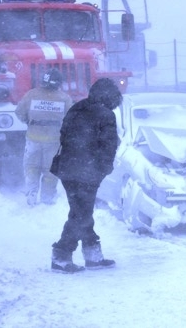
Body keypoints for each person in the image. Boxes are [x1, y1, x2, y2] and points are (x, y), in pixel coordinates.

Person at [50, 78, 123, 273]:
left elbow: (64, 135)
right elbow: (108, 147)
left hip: (67, 169)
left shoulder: (76, 108)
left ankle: (93, 255)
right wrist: (103, 169)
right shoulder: (106, 115)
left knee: (81, 211)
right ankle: (61, 255)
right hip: (87, 172)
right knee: (80, 215)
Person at [15, 69, 73, 206]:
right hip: (54, 141)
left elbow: (19, 112)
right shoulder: (64, 98)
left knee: (31, 167)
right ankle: (47, 198)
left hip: (33, 139)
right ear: (58, 83)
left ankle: (31, 193)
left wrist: (28, 121)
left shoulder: (31, 95)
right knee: (50, 170)